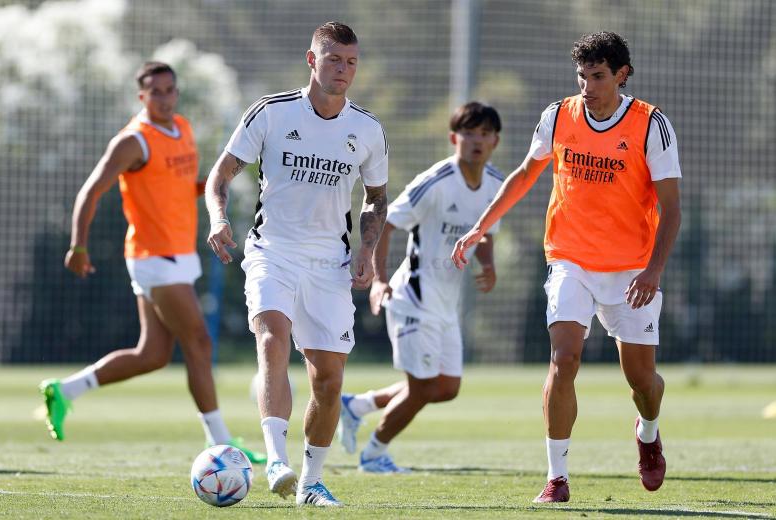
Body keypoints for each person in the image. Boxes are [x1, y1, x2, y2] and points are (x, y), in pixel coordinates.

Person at [451, 31, 682, 503]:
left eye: (598, 76)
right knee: (564, 358)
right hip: (569, 258)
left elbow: (672, 208)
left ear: (622, 75)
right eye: (582, 75)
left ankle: (648, 431)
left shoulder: (650, 124)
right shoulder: (557, 116)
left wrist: (654, 270)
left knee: (642, 381)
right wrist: (479, 227)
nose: (587, 86)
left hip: (632, 270)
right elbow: (523, 176)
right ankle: (557, 478)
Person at [39, 62, 263, 465]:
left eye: (170, 89)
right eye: (155, 91)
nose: (164, 97)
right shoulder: (132, 141)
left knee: (153, 355)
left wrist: (215, 184)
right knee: (199, 341)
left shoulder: (181, 126)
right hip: (152, 256)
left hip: (179, 254)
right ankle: (221, 443)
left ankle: (64, 391)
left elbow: (182, 186)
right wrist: (79, 245)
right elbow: (91, 192)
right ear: (141, 96)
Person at [205, 22, 388, 507]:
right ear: (312, 60)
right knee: (272, 340)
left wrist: (366, 251)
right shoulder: (270, 112)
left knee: (328, 380)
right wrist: (218, 218)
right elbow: (219, 176)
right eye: (333, 60)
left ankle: (310, 482)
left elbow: (375, 200)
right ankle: (274, 459)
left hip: (330, 264)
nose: (343, 70)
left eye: (351, 62)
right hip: (273, 252)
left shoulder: (367, 130)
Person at [337, 102, 504, 473]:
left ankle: (357, 406)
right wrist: (379, 281)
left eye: (484, 133)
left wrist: (488, 264)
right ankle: (375, 454)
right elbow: (387, 225)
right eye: (468, 133)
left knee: (446, 387)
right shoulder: (435, 183)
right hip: (412, 298)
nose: (476, 141)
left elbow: (486, 231)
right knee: (423, 387)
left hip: (445, 306)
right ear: (453, 138)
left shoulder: (496, 184)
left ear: (495, 141)